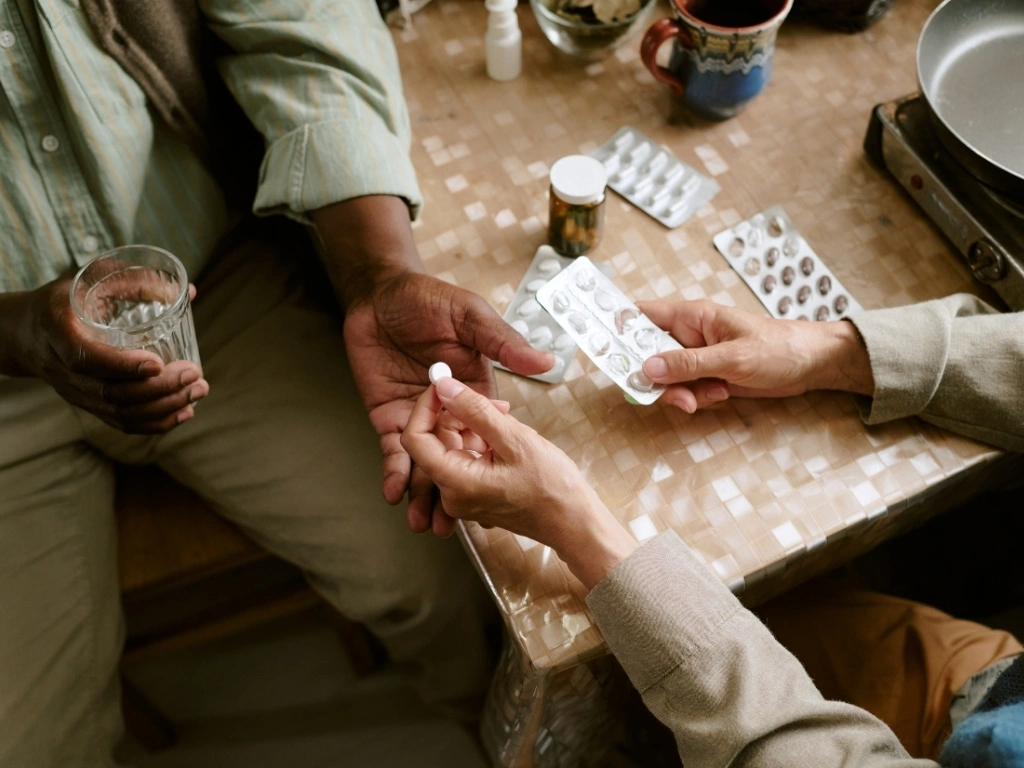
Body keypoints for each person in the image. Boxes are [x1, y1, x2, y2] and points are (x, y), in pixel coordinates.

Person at [0, 1, 552, 765]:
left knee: (433, 573)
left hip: (210, 293)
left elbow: (306, 28)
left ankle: (492, 739)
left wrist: (377, 272)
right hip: (6, 391)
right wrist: (12, 331)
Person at [401, 294, 1024, 767]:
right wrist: (827, 352)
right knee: (797, 616)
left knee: (628, 680)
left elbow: (784, 749)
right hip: (998, 688)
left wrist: (575, 521)